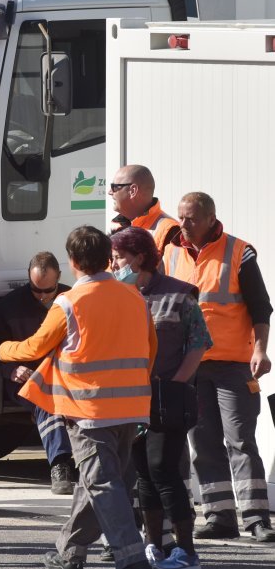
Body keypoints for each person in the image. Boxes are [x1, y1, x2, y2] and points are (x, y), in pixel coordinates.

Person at [0, 225, 157, 569]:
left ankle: (131, 557)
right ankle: (68, 552)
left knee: (103, 484)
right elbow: (151, 349)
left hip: (89, 410)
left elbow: (36, 346)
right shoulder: (135, 297)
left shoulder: (69, 302)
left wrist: (4, 349)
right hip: (131, 408)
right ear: (106, 258)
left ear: (72, 262)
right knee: (95, 482)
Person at [163, 191, 275, 542]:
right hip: (191, 366)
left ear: (211, 218)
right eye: (181, 216)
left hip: (232, 365)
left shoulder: (239, 252)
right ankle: (219, 516)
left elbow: (261, 307)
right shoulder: (171, 252)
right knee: (203, 442)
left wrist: (260, 350)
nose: (183, 223)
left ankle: (256, 517)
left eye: (191, 218)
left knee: (240, 440)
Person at [110, 227, 211, 568]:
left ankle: (186, 549)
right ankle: (155, 546)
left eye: (119, 257)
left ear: (139, 258)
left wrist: (177, 383)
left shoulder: (180, 295)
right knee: (143, 474)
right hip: (129, 398)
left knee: (163, 468)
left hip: (168, 395)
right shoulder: (115, 296)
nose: (114, 264)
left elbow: (198, 343)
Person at [0, 252, 75, 496]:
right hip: (24, 377)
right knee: (46, 401)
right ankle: (60, 466)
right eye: (35, 290)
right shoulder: (11, 305)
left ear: (59, 279)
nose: (42, 296)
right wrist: (10, 370)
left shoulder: (70, 299)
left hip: (67, 375)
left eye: (48, 290)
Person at [108, 165, 179, 255]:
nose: (110, 192)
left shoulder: (170, 230)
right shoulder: (117, 226)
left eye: (115, 187)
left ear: (133, 191)